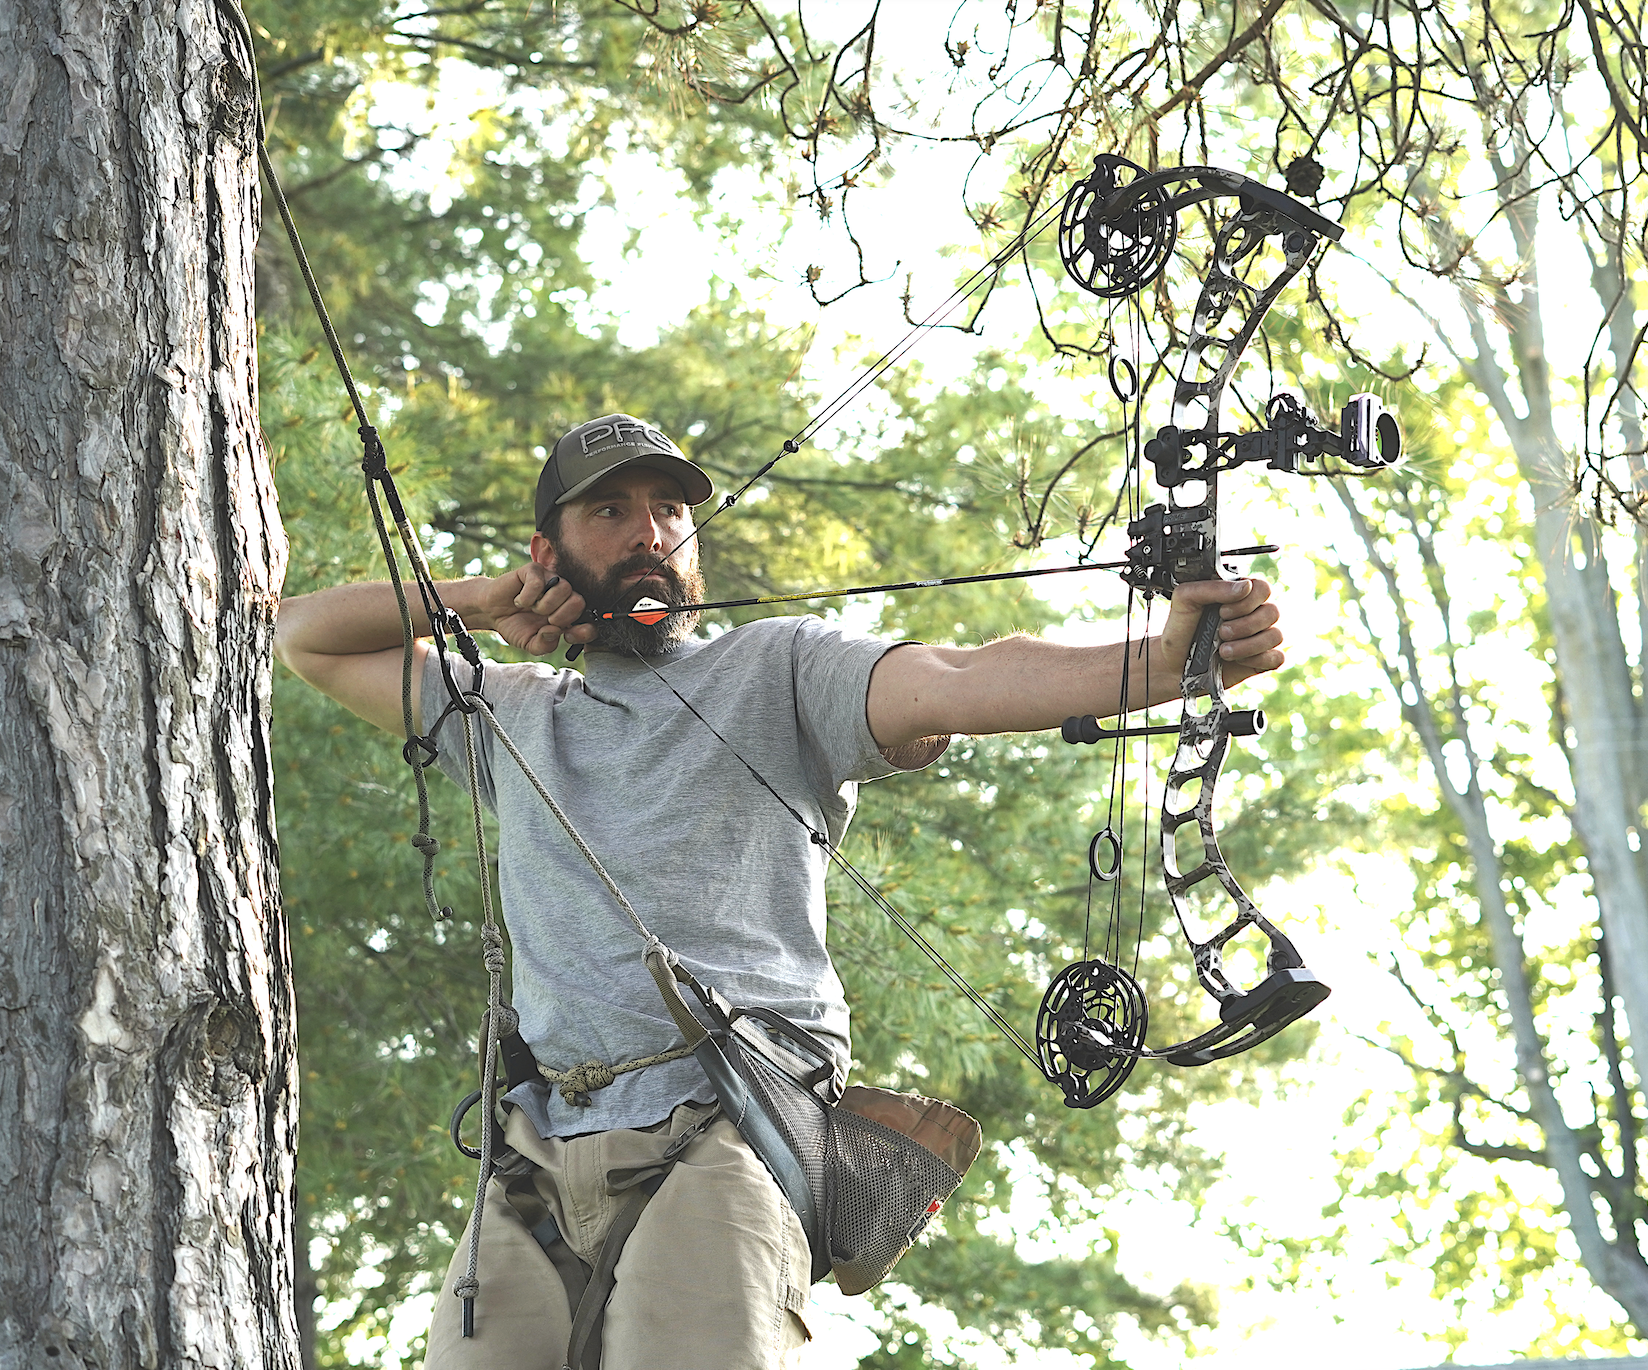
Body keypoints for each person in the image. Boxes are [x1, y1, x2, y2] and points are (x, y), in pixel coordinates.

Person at [274, 413, 1284, 1370]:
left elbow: (960, 673)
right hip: (533, 1161)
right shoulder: (507, 710)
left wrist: (1163, 660)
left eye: (667, 509)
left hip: (723, 1132)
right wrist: (485, 597)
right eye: (609, 511)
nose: (648, 533)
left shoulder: (779, 669)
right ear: (551, 554)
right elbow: (305, 637)